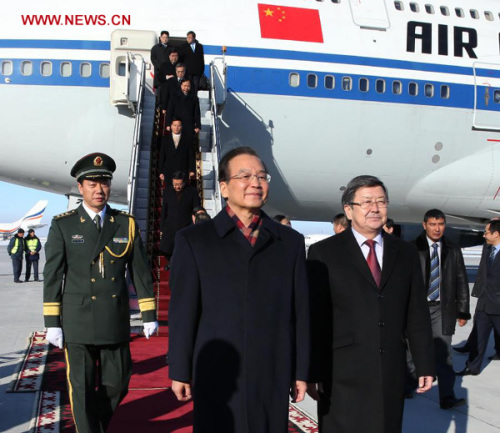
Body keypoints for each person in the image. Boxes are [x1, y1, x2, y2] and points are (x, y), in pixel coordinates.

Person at [168, 146, 310, 432]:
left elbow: (301, 312)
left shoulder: (290, 243)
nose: (255, 183)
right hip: (217, 371)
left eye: (261, 176)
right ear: (223, 187)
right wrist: (180, 370)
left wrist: (301, 370)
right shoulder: (194, 241)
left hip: (272, 369)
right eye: (244, 176)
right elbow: (183, 312)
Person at [307, 175, 434, 433]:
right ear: (349, 210)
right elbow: (316, 318)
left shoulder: (406, 253)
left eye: (381, 201)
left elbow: (417, 313)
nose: (375, 208)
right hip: (341, 371)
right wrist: (312, 371)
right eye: (366, 202)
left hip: (390, 367)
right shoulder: (324, 253)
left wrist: (424, 363)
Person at [43, 153, 158, 433]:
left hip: (114, 317)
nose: (99, 189)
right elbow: (53, 275)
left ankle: (97, 424)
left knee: (118, 383)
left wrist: (149, 315)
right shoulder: (64, 224)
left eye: (104, 183)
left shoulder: (125, 223)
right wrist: (52, 323)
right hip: (78, 318)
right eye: (92, 184)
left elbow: (141, 273)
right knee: (81, 389)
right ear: (80, 187)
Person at [408, 209, 469, 409]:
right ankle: (408, 387)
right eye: (433, 224)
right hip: (418, 308)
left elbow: (461, 279)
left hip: (442, 309)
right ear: (424, 225)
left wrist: (462, 311)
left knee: (444, 353)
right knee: (411, 349)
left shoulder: (452, 248)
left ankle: (447, 397)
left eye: (441, 224)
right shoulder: (411, 248)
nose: (437, 228)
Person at [457, 219, 500, 376]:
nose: (484, 235)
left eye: (487, 232)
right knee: (479, 339)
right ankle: (472, 367)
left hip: (498, 305)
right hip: (484, 304)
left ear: (496, 234)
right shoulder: (489, 249)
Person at [160, 171, 200, 263]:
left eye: (179, 184)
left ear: (184, 182)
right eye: (175, 184)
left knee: (183, 249)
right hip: (170, 225)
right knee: (167, 249)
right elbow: (164, 211)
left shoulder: (192, 191)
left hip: (185, 224)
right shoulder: (167, 191)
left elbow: (196, 207)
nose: (177, 186)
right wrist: (162, 227)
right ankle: (170, 263)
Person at [159, 118, 196, 183]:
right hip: (169, 170)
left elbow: (191, 155)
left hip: (182, 170)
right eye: (175, 125)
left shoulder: (187, 140)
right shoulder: (165, 140)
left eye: (179, 125)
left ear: (182, 126)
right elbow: (162, 156)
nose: (176, 128)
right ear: (171, 126)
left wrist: (192, 170)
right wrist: (161, 171)